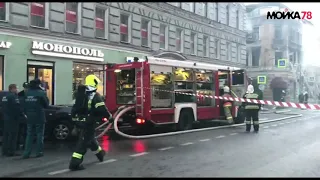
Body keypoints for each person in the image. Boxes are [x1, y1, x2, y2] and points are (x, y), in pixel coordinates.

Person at [69, 74, 113, 171]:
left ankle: (100, 154)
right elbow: (102, 109)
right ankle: (74, 164)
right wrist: (109, 117)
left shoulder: (80, 93)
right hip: (88, 123)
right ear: (95, 83)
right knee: (82, 144)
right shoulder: (94, 95)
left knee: (90, 139)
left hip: (78, 121)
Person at [22, 79, 49, 159]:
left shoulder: (26, 93)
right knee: (39, 134)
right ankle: (39, 152)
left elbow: (23, 104)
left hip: (29, 116)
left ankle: (26, 153)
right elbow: (46, 104)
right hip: (39, 116)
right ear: (38, 85)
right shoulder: (41, 93)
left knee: (29, 134)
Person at [2, 84, 25, 156]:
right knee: (13, 135)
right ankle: (11, 151)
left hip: (5, 118)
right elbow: (17, 108)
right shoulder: (13, 97)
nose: (17, 90)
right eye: (16, 88)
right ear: (12, 89)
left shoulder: (4, 97)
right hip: (13, 119)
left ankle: (4, 151)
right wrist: (22, 114)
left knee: (6, 135)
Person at [17, 82, 29, 150]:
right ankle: (18, 144)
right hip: (21, 115)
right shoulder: (20, 94)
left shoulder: (29, 94)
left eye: (27, 87)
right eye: (25, 87)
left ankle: (25, 144)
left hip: (27, 115)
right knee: (20, 131)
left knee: (26, 132)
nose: (26, 88)